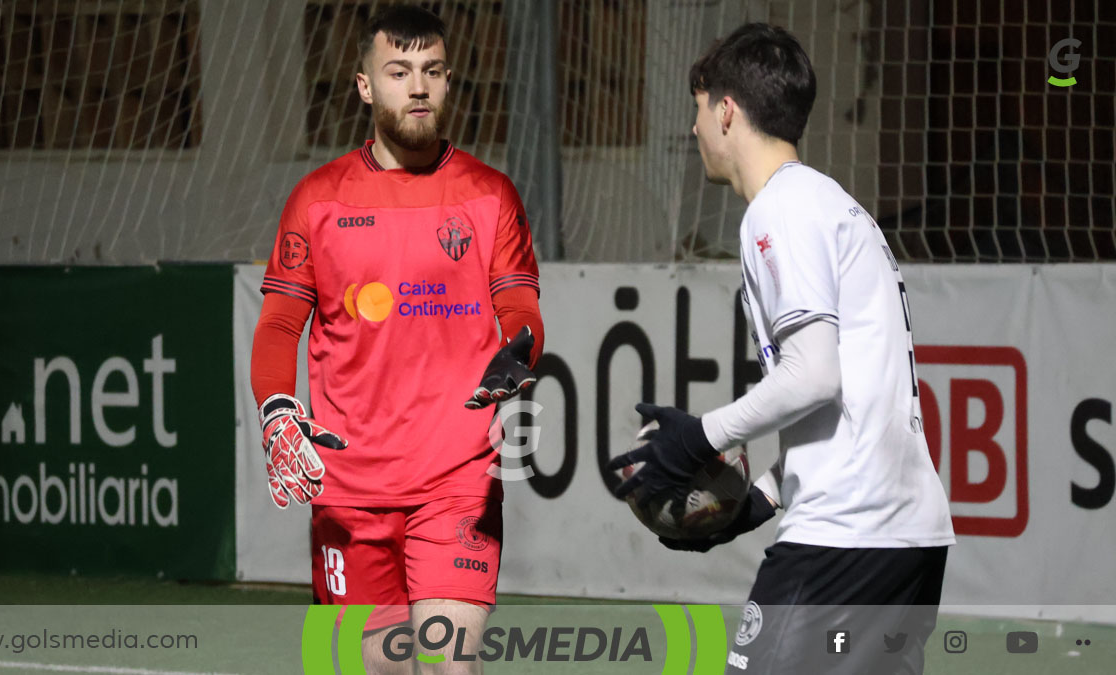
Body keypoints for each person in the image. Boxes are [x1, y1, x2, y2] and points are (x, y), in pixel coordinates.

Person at [608, 23, 955, 674]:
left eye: (698, 109)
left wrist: (697, 438)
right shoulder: (832, 205)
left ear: (727, 112)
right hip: (906, 535)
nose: (693, 130)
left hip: (845, 537)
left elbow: (814, 375)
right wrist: (760, 501)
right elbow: (846, 399)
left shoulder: (781, 211)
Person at [250, 6, 543, 673]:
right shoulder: (316, 200)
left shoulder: (490, 194)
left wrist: (519, 351)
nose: (418, 87)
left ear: (448, 82)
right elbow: (277, 326)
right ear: (364, 85)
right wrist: (274, 406)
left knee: (447, 663)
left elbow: (520, 306)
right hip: (349, 486)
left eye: (432, 72)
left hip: (456, 477)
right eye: (399, 71)